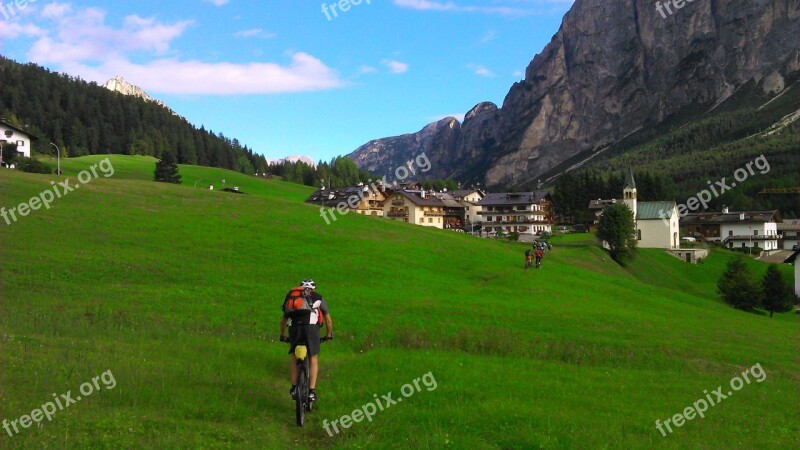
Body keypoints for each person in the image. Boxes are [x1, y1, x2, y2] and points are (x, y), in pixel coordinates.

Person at [280, 279, 333, 404]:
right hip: (311, 328)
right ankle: (311, 392)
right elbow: (328, 320)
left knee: (294, 355)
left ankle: (294, 388)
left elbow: (283, 320)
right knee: (313, 357)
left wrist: (282, 335)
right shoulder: (318, 297)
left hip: (294, 328)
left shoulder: (292, 297)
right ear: (313, 289)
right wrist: (328, 334)